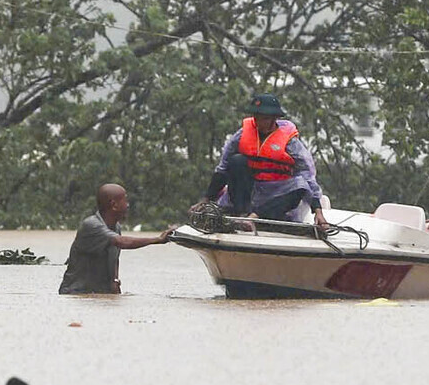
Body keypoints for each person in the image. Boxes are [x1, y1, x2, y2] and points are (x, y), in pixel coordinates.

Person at [203, 92, 330, 230]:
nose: (258, 122)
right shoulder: (241, 135)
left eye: (263, 118)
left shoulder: (291, 142)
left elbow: (307, 175)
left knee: (301, 185)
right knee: (236, 160)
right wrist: (206, 200)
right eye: (256, 117)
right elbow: (223, 168)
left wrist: (318, 211)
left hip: (277, 194)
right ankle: (241, 213)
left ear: (273, 119)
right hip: (251, 192)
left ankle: (254, 217)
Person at [59, 183, 175, 295]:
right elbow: (120, 242)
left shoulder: (116, 227)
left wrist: (115, 281)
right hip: (75, 292)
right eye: (125, 200)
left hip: (99, 294)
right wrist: (157, 239)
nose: (128, 205)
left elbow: (114, 257)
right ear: (114, 205)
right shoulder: (91, 225)